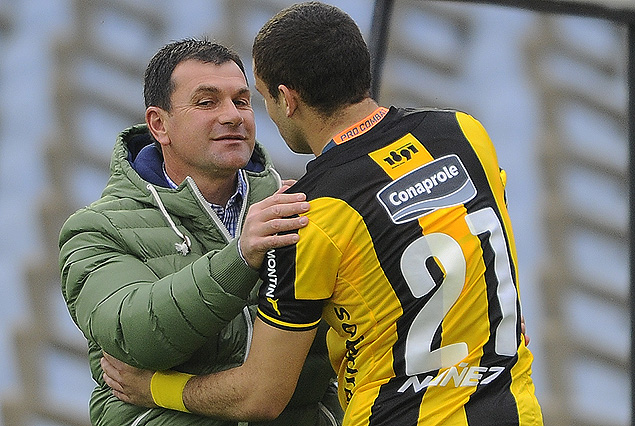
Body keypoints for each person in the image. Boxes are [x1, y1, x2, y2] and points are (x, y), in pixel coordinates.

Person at [100, 3, 543, 425]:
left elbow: (261, 395)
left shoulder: (306, 215)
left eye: (256, 98)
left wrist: (153, 387)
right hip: (515, 411)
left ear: (287, 99)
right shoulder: (465, 133)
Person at [58, 38, 343, 426]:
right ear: (159, 124)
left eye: (241, 101)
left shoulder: (299, 204)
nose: (232, 116)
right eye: (207, 102)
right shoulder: (97, 230)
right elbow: (137, 333)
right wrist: (239, 258)